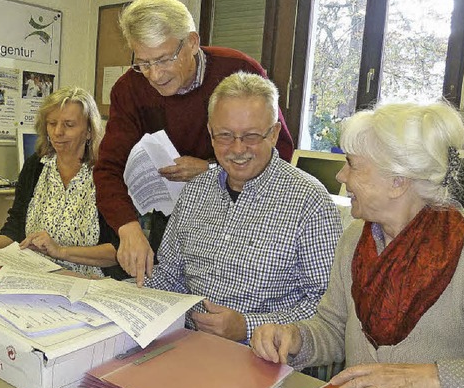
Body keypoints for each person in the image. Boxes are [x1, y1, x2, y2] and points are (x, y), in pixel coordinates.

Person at [251, 101, 464, 388]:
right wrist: (295, 338)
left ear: (398, 181)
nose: (340, 175)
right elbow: (334, 328)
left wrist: (435, 379)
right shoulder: (354, 240)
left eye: (352, 165)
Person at [94, 0, 296, 285]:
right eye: (144, 62)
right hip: (170, 216)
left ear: (191, 42)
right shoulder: (130, 88)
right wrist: (128, 229)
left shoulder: (237, 70)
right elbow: (108, 169)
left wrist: (211, 170)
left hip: (240, 210)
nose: (154, 75)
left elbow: (280, 151)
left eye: (164, 59)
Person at [144, 72, 342, 343]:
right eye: (225, 136)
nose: (237, 149)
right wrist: (120, 296)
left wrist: (247, 327)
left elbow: (325, 310)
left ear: (273, 134)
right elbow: (169, 276)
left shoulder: (310, 202)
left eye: (250, 136)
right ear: (211, 134)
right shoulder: (194, 192)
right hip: (186, 346)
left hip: (265, 361)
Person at [0, 87, 122, 278]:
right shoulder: (36, 165)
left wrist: (60, 251)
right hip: (36, 274)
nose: (58, 132)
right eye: (52, 123)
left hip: (87, 281)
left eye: (69, 125)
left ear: (89, 132)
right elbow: (17, 224)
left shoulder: (107, 173)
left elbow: (118, 251)